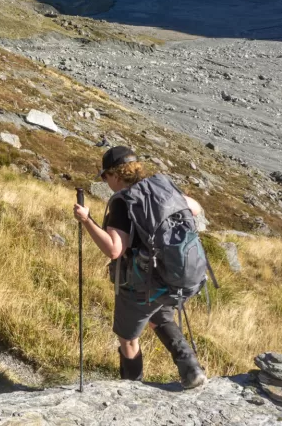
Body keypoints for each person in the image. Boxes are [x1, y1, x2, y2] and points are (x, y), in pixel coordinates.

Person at [73, 145, 208, 389]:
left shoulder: (123, 203)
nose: (105, 182)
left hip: (143, 284)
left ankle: (131, 389)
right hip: (173, 278)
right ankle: (191, 369)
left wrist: (87, 220)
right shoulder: (161, 186)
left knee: (128, 338)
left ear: (114, 174)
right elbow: (195, 208)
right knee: (158, 314)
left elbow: (114, 249)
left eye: (104, 176)